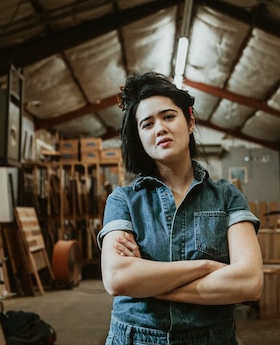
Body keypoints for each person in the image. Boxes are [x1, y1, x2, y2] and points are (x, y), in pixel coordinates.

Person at [97, 72, 264, 345]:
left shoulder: (227, 197)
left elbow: (249, 283)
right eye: (147, 124)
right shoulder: (123, 201)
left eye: (168, 116)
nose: (159, 128)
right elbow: (117, 278)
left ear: (190, 121)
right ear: (139, 137)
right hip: (136, 339)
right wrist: (209, 266)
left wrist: (149, 285)